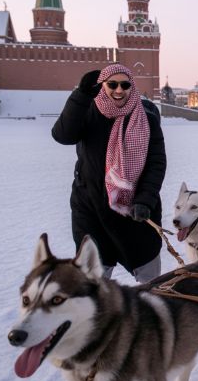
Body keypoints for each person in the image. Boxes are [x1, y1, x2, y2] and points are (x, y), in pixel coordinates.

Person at [52, 64, 166, 282]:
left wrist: (145, 200)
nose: (119, 90)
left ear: (132, 87)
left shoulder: (146, 118)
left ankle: (150, 311)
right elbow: (62, 135)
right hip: (91, 208)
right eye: (112, 84)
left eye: (125, 84)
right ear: (102, 86)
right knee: (93, 278)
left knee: (149, 275)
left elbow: (156, 163)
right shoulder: (87, 111)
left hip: (133, 209)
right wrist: (81, 95)